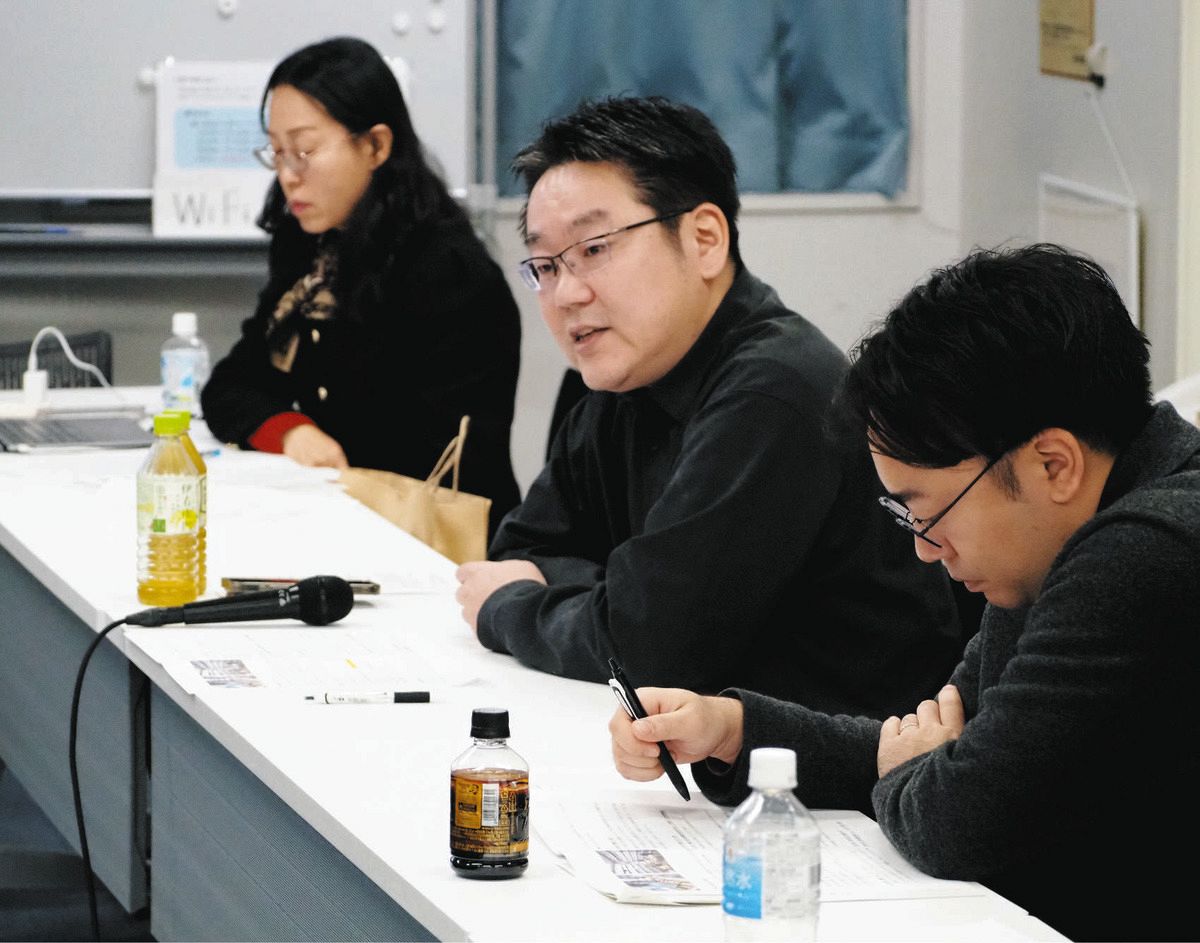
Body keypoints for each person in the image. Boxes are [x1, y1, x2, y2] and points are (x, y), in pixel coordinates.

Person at [609, 244, 1200, 942]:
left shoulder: (1145, 550)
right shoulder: (1061, 535)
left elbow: (959, 817)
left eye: (929, 511)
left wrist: (927, 771)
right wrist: (735, 732)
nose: (924, 548)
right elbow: (943, 752)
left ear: (1053, 463)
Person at [455, 95, 965, 716]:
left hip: (835, 760)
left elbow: (645, 647)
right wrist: (610, 597)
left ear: (704, 239)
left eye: (593, 249)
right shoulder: (624, 371)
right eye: (545, 266)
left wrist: (512, 608)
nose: (566, 294)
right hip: (692, 742)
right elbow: (521, 550)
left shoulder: (775, 392)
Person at [201, 37, 522, 536]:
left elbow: (424, 463)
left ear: (375, 146)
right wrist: (291, 432)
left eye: (304, 151)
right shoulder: (314, 253)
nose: (287, 175)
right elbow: (233, 384)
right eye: (277, 152)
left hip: (434, 541)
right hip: (340, 519)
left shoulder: (447, 273)